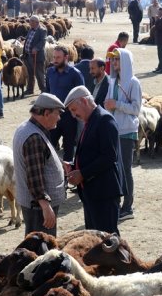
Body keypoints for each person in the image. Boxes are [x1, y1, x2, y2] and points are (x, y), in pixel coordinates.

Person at [63, 86, 122, 235]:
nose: (73, 114)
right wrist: (73, 166)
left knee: (108, 241)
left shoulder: (104, 120)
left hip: (104, 193)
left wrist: (82, 173)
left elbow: (109, 156)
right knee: (95, 240)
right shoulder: (91, 121)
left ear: (84, 101)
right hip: (92, 193)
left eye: (74, 109)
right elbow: (92, 153)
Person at [13, 93, 67, 236]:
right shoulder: (34, 138)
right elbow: (34, 177)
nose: (59, 118)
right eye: (58, 113)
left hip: (35, 206)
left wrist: (59, 164)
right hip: (38, 209)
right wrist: (45, 206)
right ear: (47, 113)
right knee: (43, 250)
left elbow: (36, 161)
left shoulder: (27, 127)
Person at [105, 48, 141, 222]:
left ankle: (128, 206)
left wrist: (116, 104)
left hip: (127, 131)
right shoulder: (113, 81)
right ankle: (119, 204)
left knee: (126, 169)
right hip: (114, 130)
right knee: (116, 168)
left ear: (125, 61)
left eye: (117, 60)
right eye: (112, 60)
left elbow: (136, 109)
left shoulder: (134, 82)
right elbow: (107, 102)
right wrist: (108, 105)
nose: (113, 63)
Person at [45, 46, 84, 162]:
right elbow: (47, 91)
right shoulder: (50, 72)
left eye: (58, 57)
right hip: (52, 117)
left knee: (68, 150)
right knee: (48, 148)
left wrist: (76, 114)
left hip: (69, 118)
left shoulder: (75, 74)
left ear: (66, 57)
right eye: (54, 57)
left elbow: (82, 94)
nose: (55, 60)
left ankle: (67, 178)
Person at [22, 15, 47, 95]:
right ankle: (30, 89)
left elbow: (43, 41)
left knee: (39, 73)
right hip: (28, 55)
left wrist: (36, 48)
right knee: (30, 73)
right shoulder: (31, 29)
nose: (29, 23)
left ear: (36, 22)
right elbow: (29, 39)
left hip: (37, 56)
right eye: (30, 21)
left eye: (31, 21)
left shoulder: (42, 30)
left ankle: (43, 89)